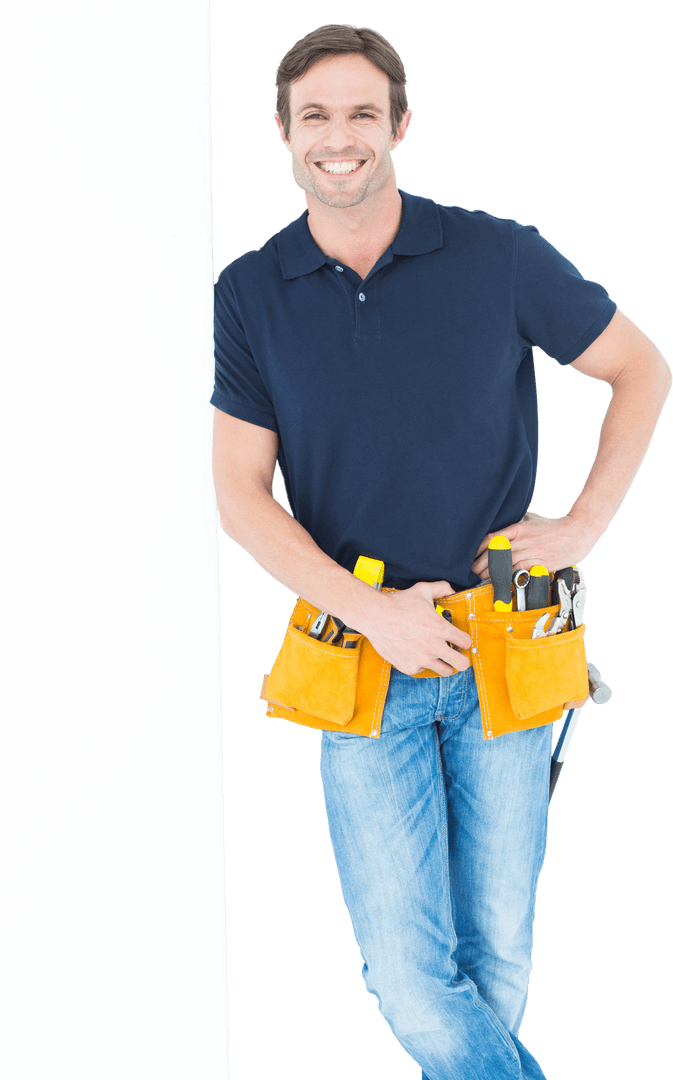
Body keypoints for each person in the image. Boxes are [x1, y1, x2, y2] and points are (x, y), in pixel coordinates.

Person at [211, 24, 671, 1080]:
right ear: (281, 135)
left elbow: (641, 369)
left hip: (508, 641)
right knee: (411, 978)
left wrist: (584, 524)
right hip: (358, 649)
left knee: (495, 956)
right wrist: (375, 613)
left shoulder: (497, 254)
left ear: (399, 125)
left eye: (362, 113)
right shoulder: (249, 292)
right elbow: (239, 494)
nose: (340, 137)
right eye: (315, 116)